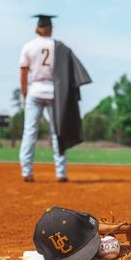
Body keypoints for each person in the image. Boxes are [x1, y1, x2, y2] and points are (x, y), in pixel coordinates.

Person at [19, 14, 92, 182]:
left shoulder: (28, 47)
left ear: (37, 29)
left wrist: (24, 94)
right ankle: (61, 172)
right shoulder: (59, 47)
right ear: (51, 29)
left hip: (35, 90)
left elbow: (23, 73)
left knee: (29, 131)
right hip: (55, 92)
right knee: (57, 132)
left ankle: (26, 171)